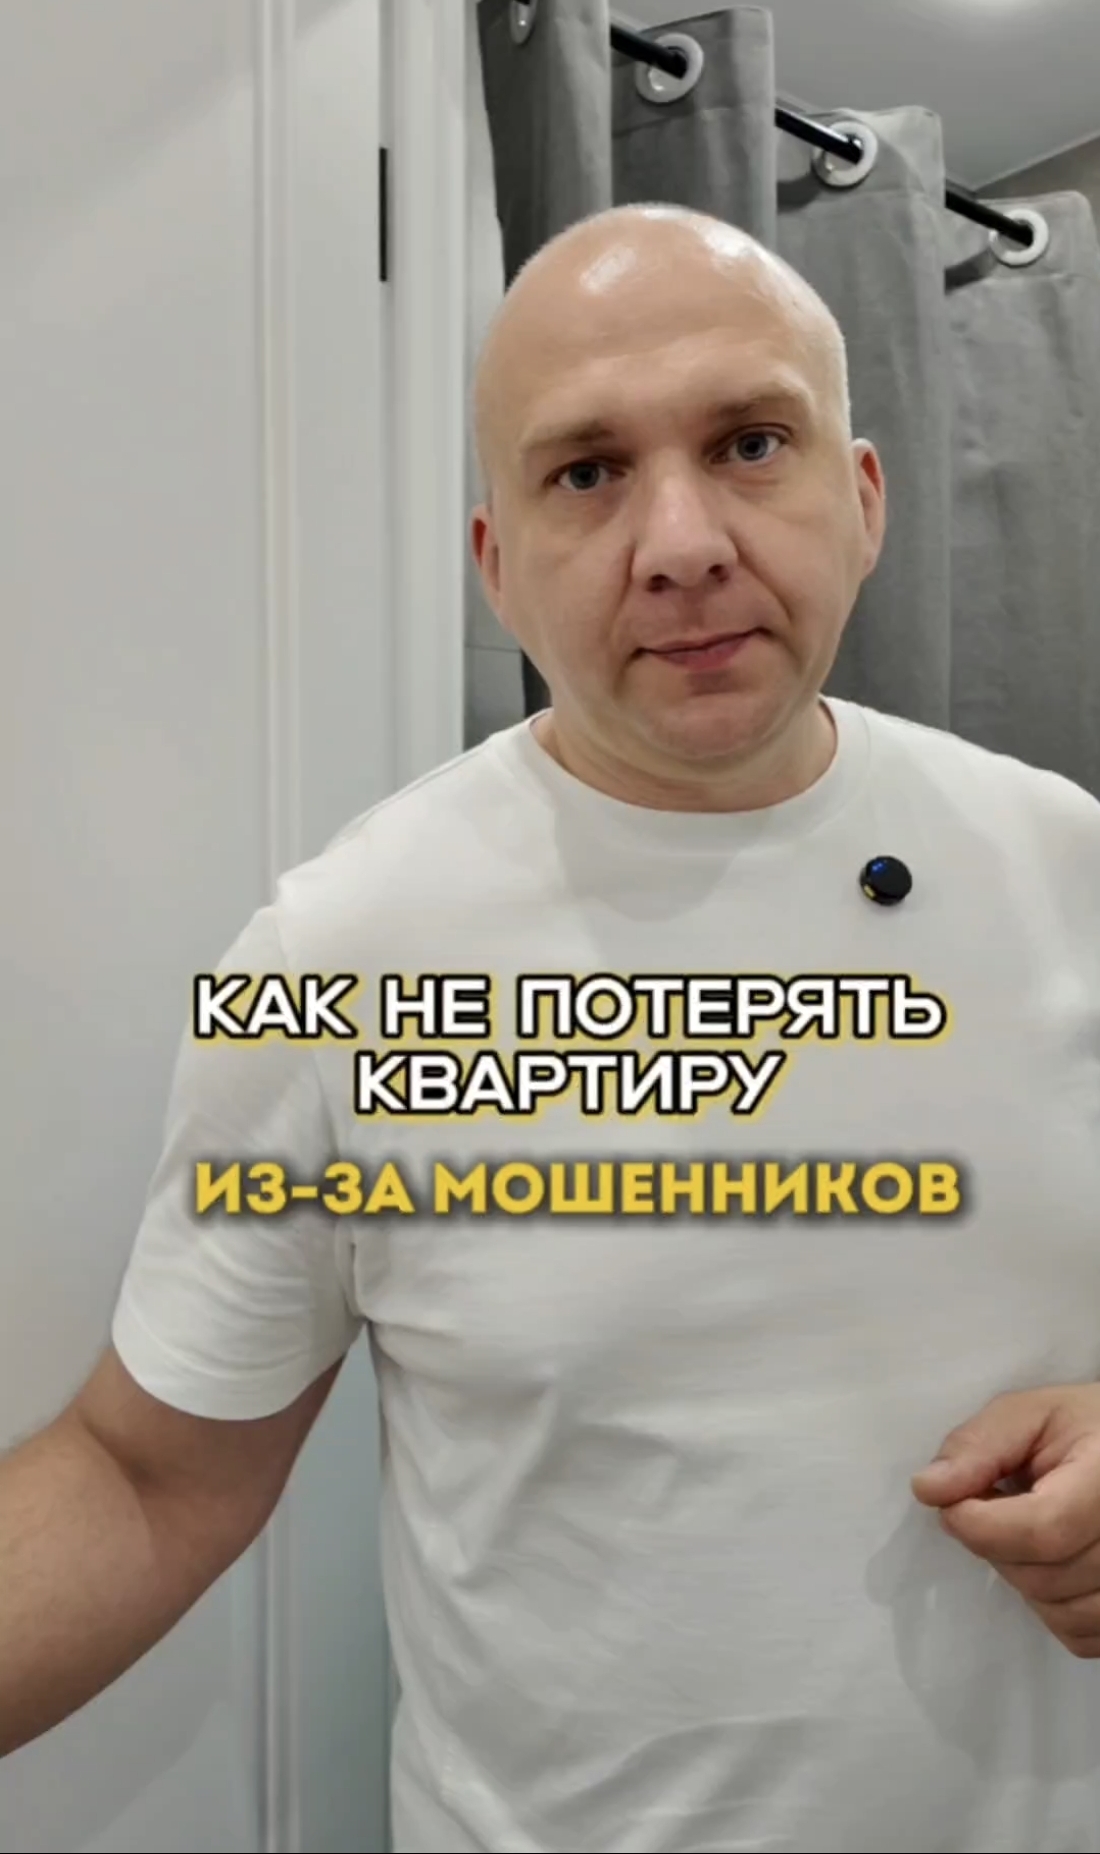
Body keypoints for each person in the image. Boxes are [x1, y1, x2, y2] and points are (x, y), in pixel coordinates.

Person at [3, 201, 1100, 1854]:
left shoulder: (1068, 865)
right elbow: (145, 1477)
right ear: (497, 564)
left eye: (750, 444)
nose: (682, 542)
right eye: (586, 471)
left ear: (865, 498)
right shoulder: (344, 958)